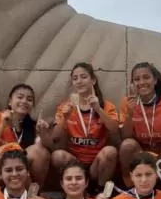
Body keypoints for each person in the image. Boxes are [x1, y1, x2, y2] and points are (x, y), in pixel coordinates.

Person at [48, 62, 120, 192]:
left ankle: (100, 191)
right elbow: (54, 138)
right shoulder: (66, 107)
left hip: (97, 163)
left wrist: (98, 109)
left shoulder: (106, 105)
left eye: (83, 77)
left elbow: (115, 130)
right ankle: (72, 191)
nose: (79, 81)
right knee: (57, 156)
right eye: (75, 78)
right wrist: (65, 118)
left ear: (93, 80)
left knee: (110, 151)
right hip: (75, 162)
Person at [0, 83, 51, 188]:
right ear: (10, 101)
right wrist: (3, 126)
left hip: (14, 175)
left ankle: (33, 194)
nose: (24, 101)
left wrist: (44, 134)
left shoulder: (34, 127)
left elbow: (47, 155)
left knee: (39, 152)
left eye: (29, 99)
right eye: (20, 97)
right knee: (10, 148)